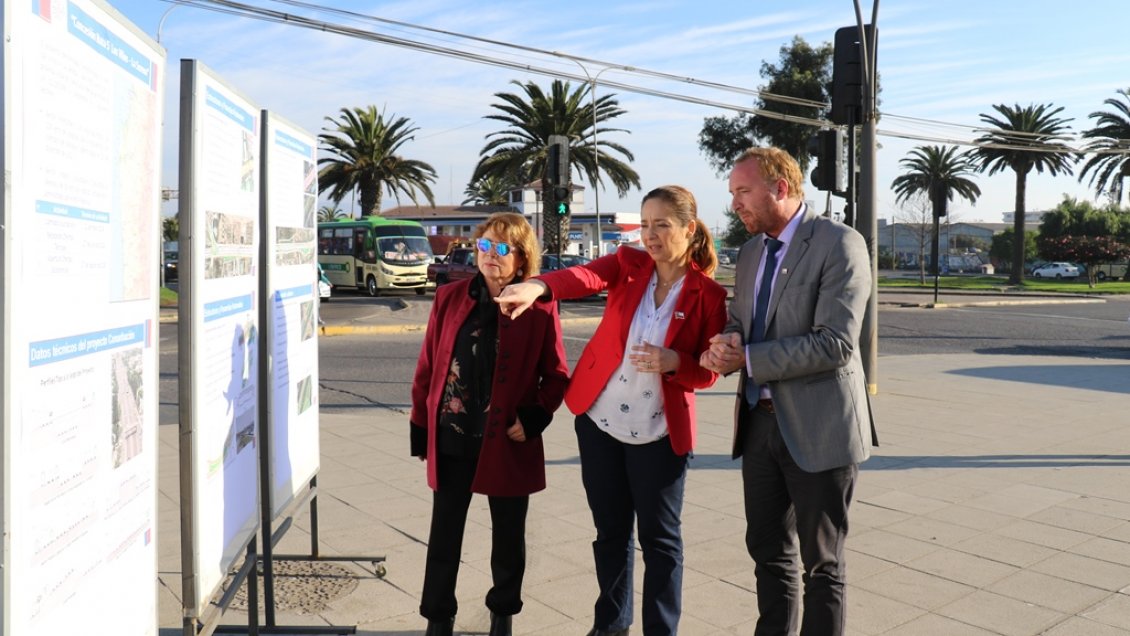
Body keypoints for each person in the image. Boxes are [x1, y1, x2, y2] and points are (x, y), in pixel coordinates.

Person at [496, 185, 727, 636]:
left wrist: (674, 362)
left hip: (659, 435)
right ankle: (611, 625)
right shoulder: (629, 264)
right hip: (600, 424)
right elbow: (582, 277)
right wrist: (538, 286)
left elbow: (708, 372)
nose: (650, 235)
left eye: (662, 225)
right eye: (645, 224)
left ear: (689, 229)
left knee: (660, 544)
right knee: (610, 534)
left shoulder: (709, 296)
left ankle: (661, 629)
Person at [699, 147, 876, 635]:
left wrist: (749, 359)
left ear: (779, 187)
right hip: (759, 423)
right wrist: (730, 340)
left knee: (823, 564)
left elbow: (836, 343)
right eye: (732, 192)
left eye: (742, 191)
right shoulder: (753, 250)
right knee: (768, 554)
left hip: (820, 429)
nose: (735, 203)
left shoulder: (840, 243)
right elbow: (743, 319)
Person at [409, 212, 569, 636]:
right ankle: (438, 618)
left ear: (521, 259)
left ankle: (503, 614)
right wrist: (421, 424)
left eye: (502, 249)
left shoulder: (540, 307)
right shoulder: (450, 298)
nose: (490, 255)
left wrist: (535, 416)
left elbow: (556, 375)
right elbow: (428, 365)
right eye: (484, 246)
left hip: (507, 440)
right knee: (444, 535)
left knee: (508, 538)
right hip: (452, 435)